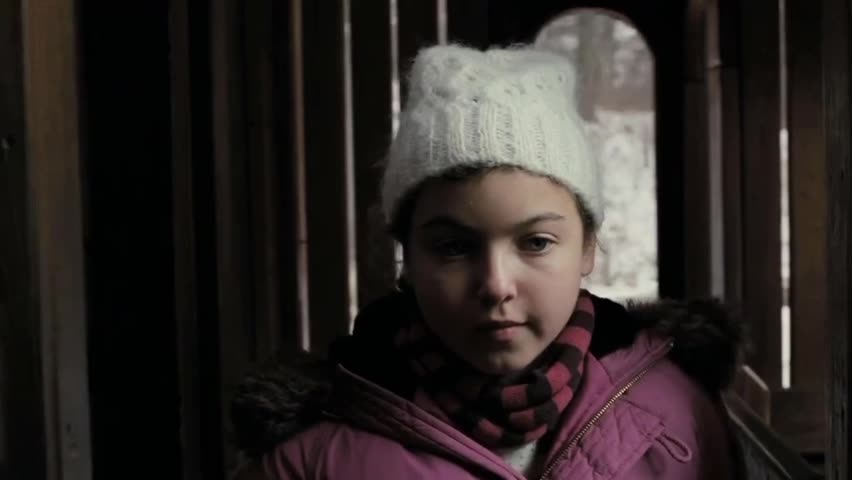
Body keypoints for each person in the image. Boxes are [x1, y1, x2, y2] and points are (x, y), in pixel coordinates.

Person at [230, 43, 745, 479]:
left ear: (588, 246)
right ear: (406, 255)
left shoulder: (678, 414)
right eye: (454, 247)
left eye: (536, 242)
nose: (496, 285)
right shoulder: (314, 456)